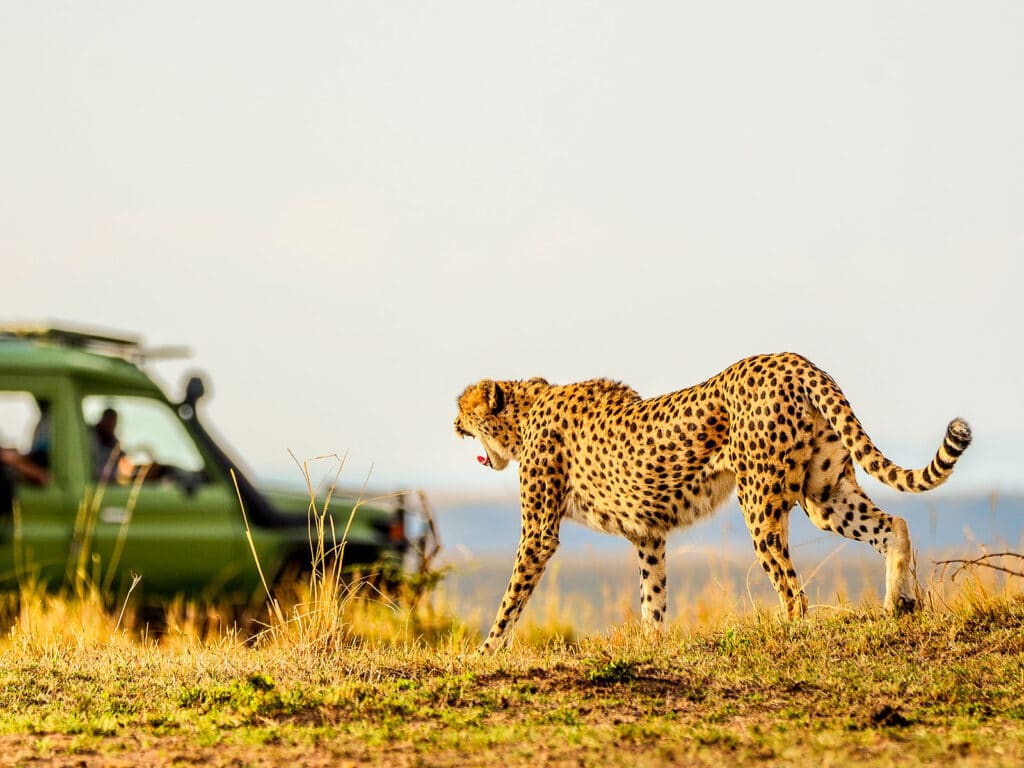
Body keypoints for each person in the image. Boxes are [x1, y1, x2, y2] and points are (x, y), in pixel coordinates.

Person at [91, 407, 123, 483]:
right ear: (103, 420)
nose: (112, 425)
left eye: (114, 422)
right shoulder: (90, 437)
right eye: (109, 421)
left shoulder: (114, 442)